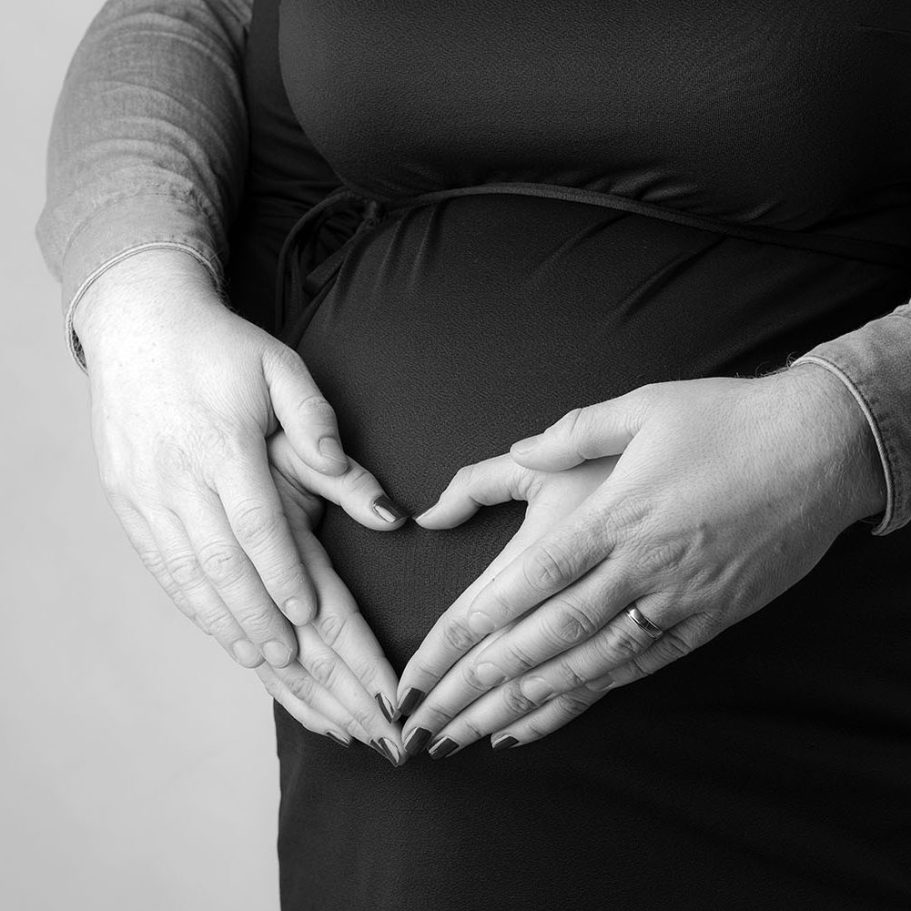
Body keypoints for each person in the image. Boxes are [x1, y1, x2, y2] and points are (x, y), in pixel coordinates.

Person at [38, 1, 911, 908]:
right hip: (379, 820)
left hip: (816, 743)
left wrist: (847, 427)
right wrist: (132, 294)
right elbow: (196, 12)